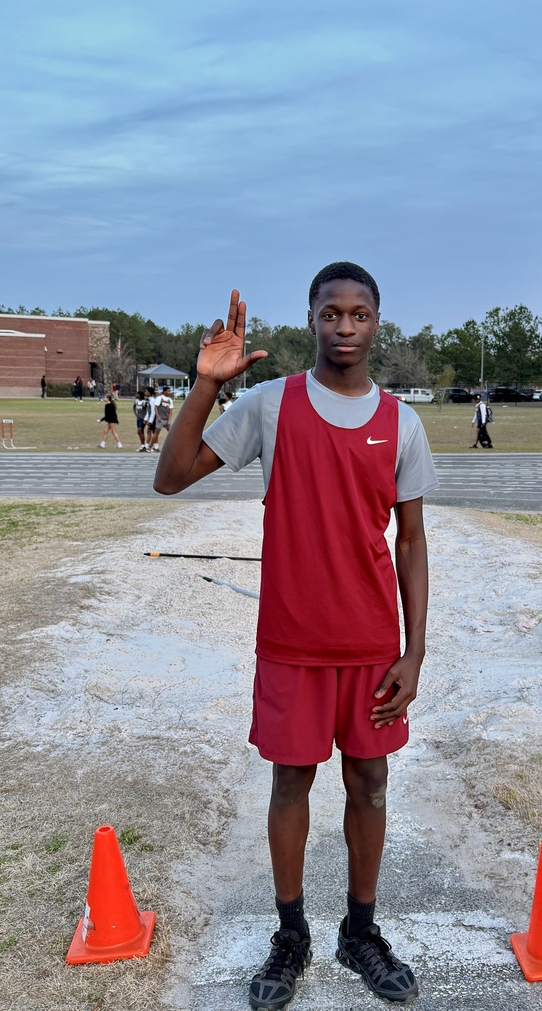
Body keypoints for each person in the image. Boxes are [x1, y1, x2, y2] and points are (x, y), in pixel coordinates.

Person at [154, 263, 437, 1011]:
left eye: (359, 314)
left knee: (370, 784)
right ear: (311, 319)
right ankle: (291, 934)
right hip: (291, 642)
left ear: (377, 323)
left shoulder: (402, 423)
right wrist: (206, 384)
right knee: (290, 784)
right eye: (331, 313)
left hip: (370, 646)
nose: (345, 327)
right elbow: (171, 476)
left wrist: (413, 652)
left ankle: (360, 932)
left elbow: (411, 542)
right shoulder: (270, 405)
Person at [148, 386, 174, 450]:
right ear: (164, 392)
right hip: (160, 419)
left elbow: (170, 411)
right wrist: (158, 417)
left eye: (170, 391)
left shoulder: (170, 400)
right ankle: (150, 447)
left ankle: (173, 447)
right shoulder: (159, 398)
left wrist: (169, 420)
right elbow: (156, 408)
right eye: (168, 391)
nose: (169, 392)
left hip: (166, 419)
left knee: (172, 433)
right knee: (156, 433)